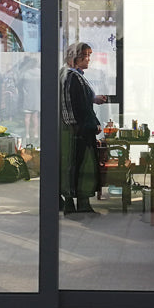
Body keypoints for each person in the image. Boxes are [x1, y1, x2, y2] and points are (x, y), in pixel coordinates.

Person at [59, 42, 102, 215]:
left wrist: (93, 100)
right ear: (75, 57)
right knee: (80, 165)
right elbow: (70, 105)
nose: (88, 59)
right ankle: (78, 203)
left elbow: (79, 101)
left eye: (89, 55)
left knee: (74, 165)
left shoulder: (74, 76)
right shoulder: (70, 76)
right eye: (85, 55)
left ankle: (75, 203)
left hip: (78, 129)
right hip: (78, 130)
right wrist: (78, 126)